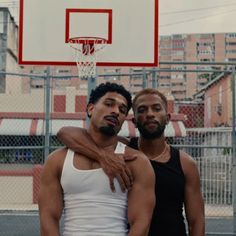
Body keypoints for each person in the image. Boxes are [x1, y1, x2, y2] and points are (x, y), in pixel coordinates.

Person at [57, 88, 205, 236]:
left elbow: (196, 221)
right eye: (142, 110)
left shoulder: (185, 163)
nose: (150, 114)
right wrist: (102, 156)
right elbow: (65, 133)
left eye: (156, 108)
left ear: (167, 118)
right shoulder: (124, 149)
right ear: (134, 121)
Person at [38, 83, 156, 236]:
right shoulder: (57, 160)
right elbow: (48, 218)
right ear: (90, 109)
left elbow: (141, 223)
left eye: (122, 110)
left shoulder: (136, 161)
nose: (115, 111)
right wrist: (102, 156)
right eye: (109, 104)